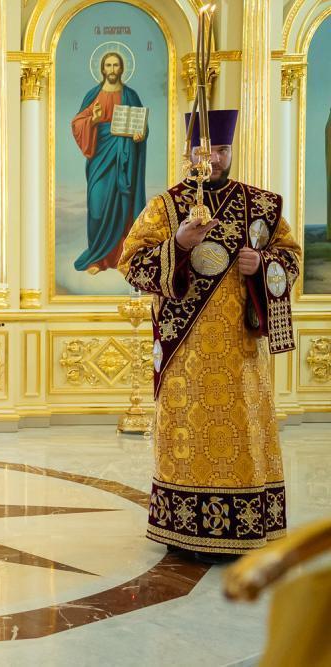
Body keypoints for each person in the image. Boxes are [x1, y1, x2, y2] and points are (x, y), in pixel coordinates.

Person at [119, 109, 301, 564]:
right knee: (187, 436)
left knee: (243, 433)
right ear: (188, 154)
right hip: (185, 352)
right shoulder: (165, 207)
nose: (213, 159)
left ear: (230, 150)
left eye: (221, 150)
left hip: (242, 352)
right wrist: (178, 245)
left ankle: (245, 525)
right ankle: (183, 530)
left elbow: (291, 256)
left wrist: (263, 265)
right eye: (204, 151)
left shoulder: (260, 205)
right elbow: (131, 263)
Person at [72, 51, 148, 273]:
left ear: (122, 69)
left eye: (116, 65)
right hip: (100, 158)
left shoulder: (130, 95)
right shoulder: (93, 95)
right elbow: (77, 123)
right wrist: (93, 120)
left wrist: (140, 135)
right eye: (108, 65)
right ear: (102, 69)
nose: (112, 69)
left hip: (124, 158)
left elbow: (142, 125)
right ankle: (97, 258)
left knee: (123, 206)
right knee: (97, 207)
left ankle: (122, 257)